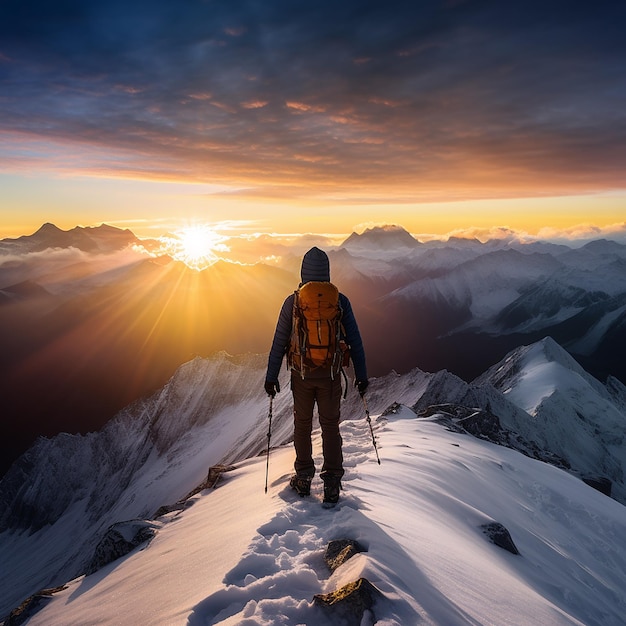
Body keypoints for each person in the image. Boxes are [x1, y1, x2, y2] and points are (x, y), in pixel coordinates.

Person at [264, 246, 368, 506]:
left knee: (302, 425)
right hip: (331, 375)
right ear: (328, 272)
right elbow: (355, 341)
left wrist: (271, 376)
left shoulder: (294, 301)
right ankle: (332, 482)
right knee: (330, 427)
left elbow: (279, 341)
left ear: (303, 272)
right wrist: (362, 375)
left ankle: (303, 477)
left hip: (302, 375)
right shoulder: (340, 301)